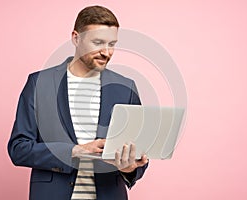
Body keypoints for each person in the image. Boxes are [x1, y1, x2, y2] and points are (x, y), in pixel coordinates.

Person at [8, 5, 148, 200]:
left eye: (112, 44)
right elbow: (19, 148)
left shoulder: (126, 87)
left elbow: (137, 152)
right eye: (98, 42)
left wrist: (129, 168)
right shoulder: (39, 84)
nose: (106, 52)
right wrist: (75, 151)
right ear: (76, 38)